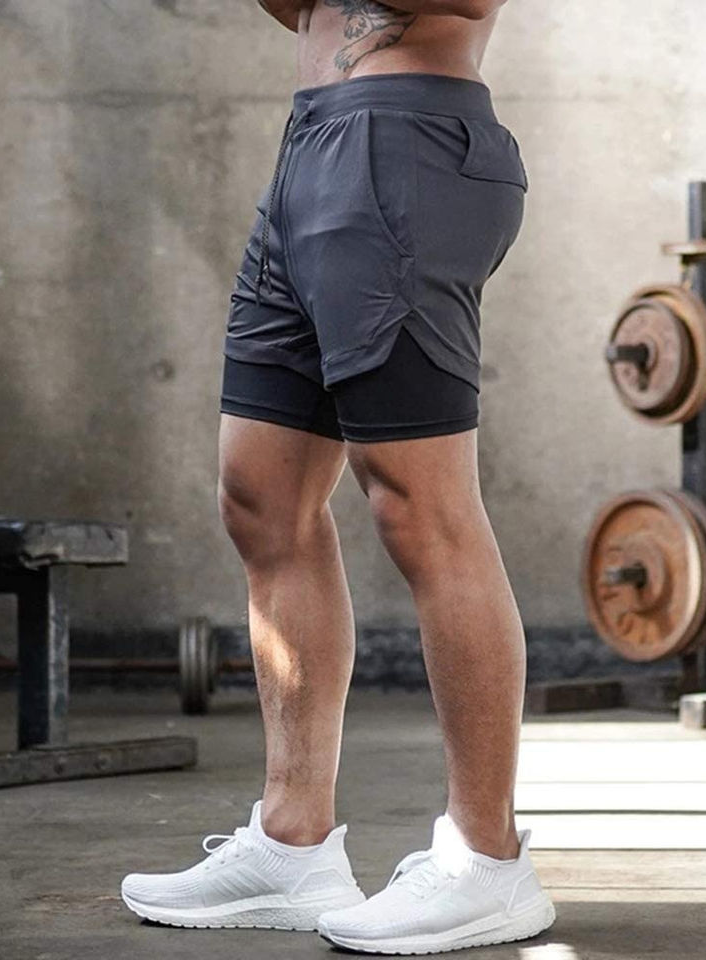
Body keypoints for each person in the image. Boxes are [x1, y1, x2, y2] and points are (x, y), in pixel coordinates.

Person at [121, 1, 555, 953]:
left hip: (406, 143)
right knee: (260, 495)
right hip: (312, 144)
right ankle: (292, 842)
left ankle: (487, 860)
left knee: (417, 505)